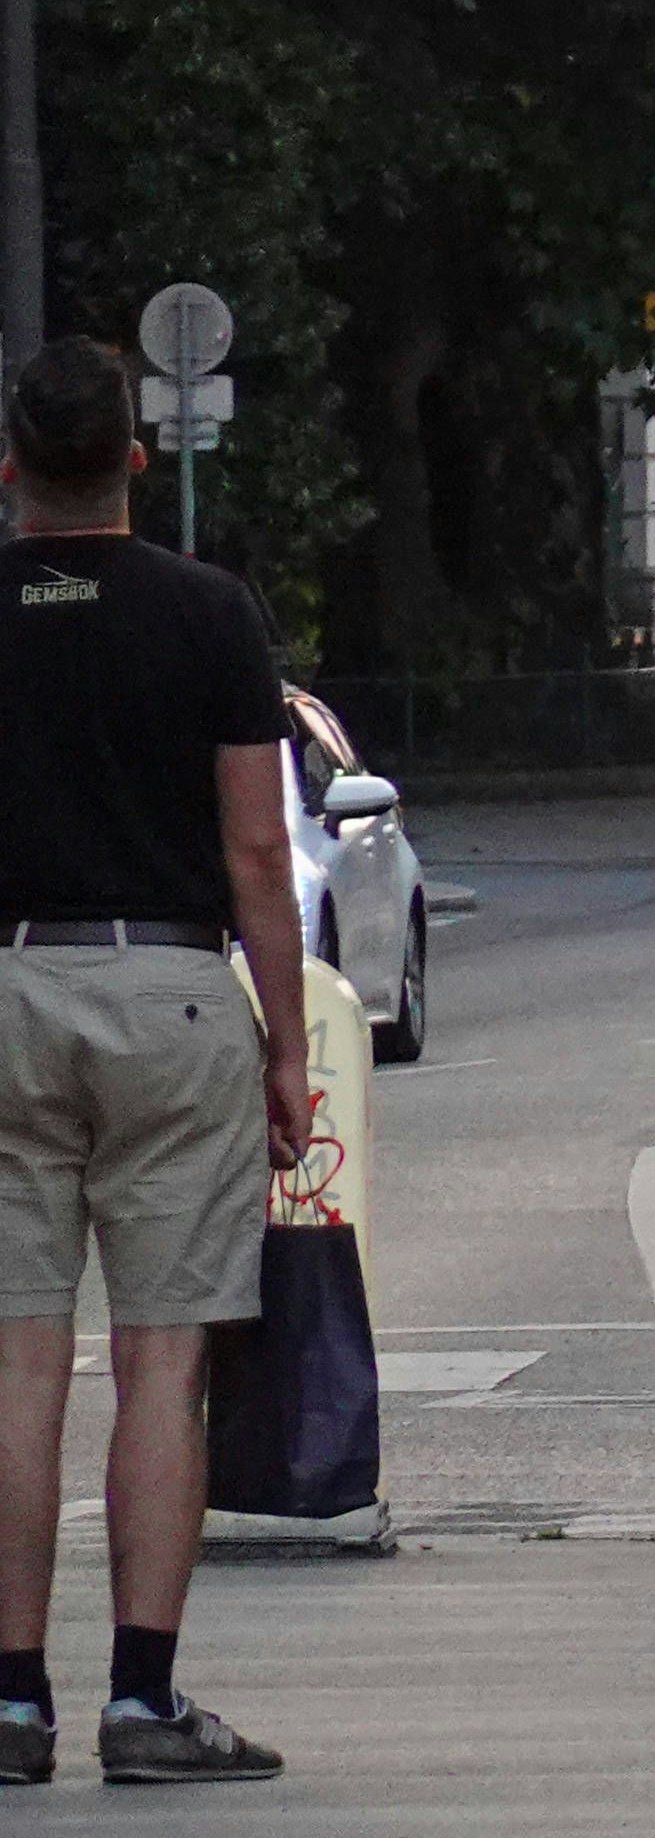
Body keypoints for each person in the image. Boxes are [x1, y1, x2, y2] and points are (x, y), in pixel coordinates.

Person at [0, 337, 301, 1787]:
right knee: (159, 1357)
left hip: (5, 982)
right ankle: (140, 1701)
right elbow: (257, 854)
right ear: (133, 452)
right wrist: (292, 1054)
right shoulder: (210, 614)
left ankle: (7, 1705)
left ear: (10, 467)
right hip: (174, 987)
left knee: (14, 1358)